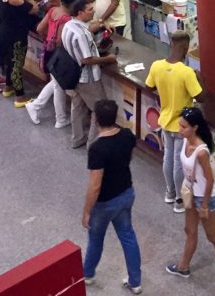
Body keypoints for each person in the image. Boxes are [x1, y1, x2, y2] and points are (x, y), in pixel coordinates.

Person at [165, 107, 215, 291]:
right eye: (179, 125)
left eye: (184, 126)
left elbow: (210, 180)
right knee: (190, 230)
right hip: (190, 192)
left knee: (213, 236)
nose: (180, 129)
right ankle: (183, 267)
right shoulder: (185, 142)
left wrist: (204, 205)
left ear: (195, 127)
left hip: (204, 198)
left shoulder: (201, 151)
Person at [81, 99, 142, 294]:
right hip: (126, 193)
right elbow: (128, 158)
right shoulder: (127, 135)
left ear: (95, 119)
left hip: (105, 203)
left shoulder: (97, 149)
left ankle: (88, 273)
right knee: (128, 236)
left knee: (96, 238)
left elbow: (95, 185)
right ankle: (135, 281)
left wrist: (87, 211)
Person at [145, 31, 203, 214]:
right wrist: (201, 79)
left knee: (168, 157)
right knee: (179, 163)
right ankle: (180, 199)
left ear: (170, 44)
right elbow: (201, 97)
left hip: (164, 121)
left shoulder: (156, 66)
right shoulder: (186, 73)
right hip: (181, 126)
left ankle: (169, 192)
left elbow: (149, 86)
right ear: (186, 48)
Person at [63, 0, 118, 149]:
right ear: (80, 13)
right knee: (99, 110)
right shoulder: (82, 35)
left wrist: (101, 24)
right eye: (89, 9)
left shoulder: (68, 25)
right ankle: (93, 144)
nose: (93, 11)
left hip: (74, 76)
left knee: (78, 107)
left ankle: (77, 138)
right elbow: (87, 59)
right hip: (88, 78)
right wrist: (108, 59)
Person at [25, 0, 80, 127]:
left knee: (55, 83)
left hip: (48, 51)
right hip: (59, 53)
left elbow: (39, 28)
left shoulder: (53, 10)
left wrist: (48, 38)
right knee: (58, 86)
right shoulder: (66, 19)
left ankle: (37, 106)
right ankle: (59, 119)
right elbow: (62, 41)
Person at [0, 0, 42, 106]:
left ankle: (8, 87)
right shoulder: (16, 0)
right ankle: (20, 97)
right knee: (17, 64)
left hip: (5, 33)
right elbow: (35, 9)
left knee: (10, 62)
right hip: (16, 36)